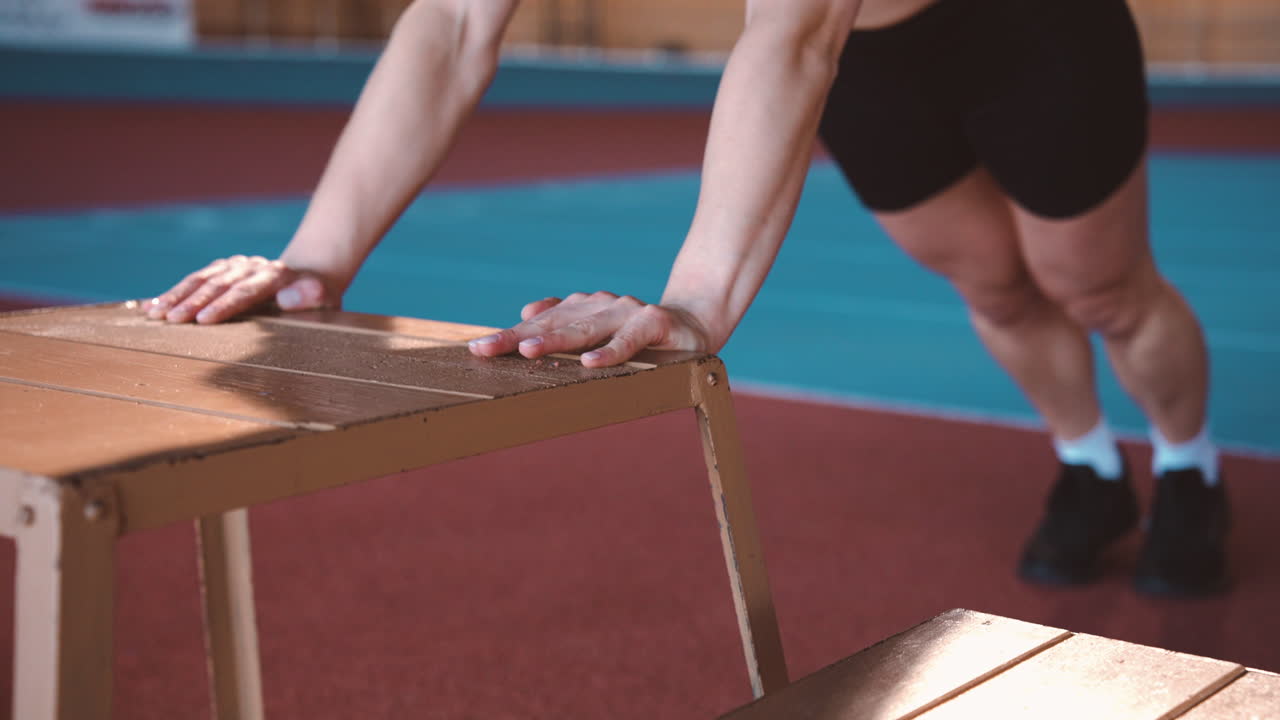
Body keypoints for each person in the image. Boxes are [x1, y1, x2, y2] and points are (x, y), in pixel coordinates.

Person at [147, 0, 1229, 596]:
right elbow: (451, 25)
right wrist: (313, 263)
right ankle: (1088, 467)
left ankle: (1187, 471)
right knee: (991, 282)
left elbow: (792, 32)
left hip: (1024, 26)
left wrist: (693, 302)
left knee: (1092, 286)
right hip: (871, 58)